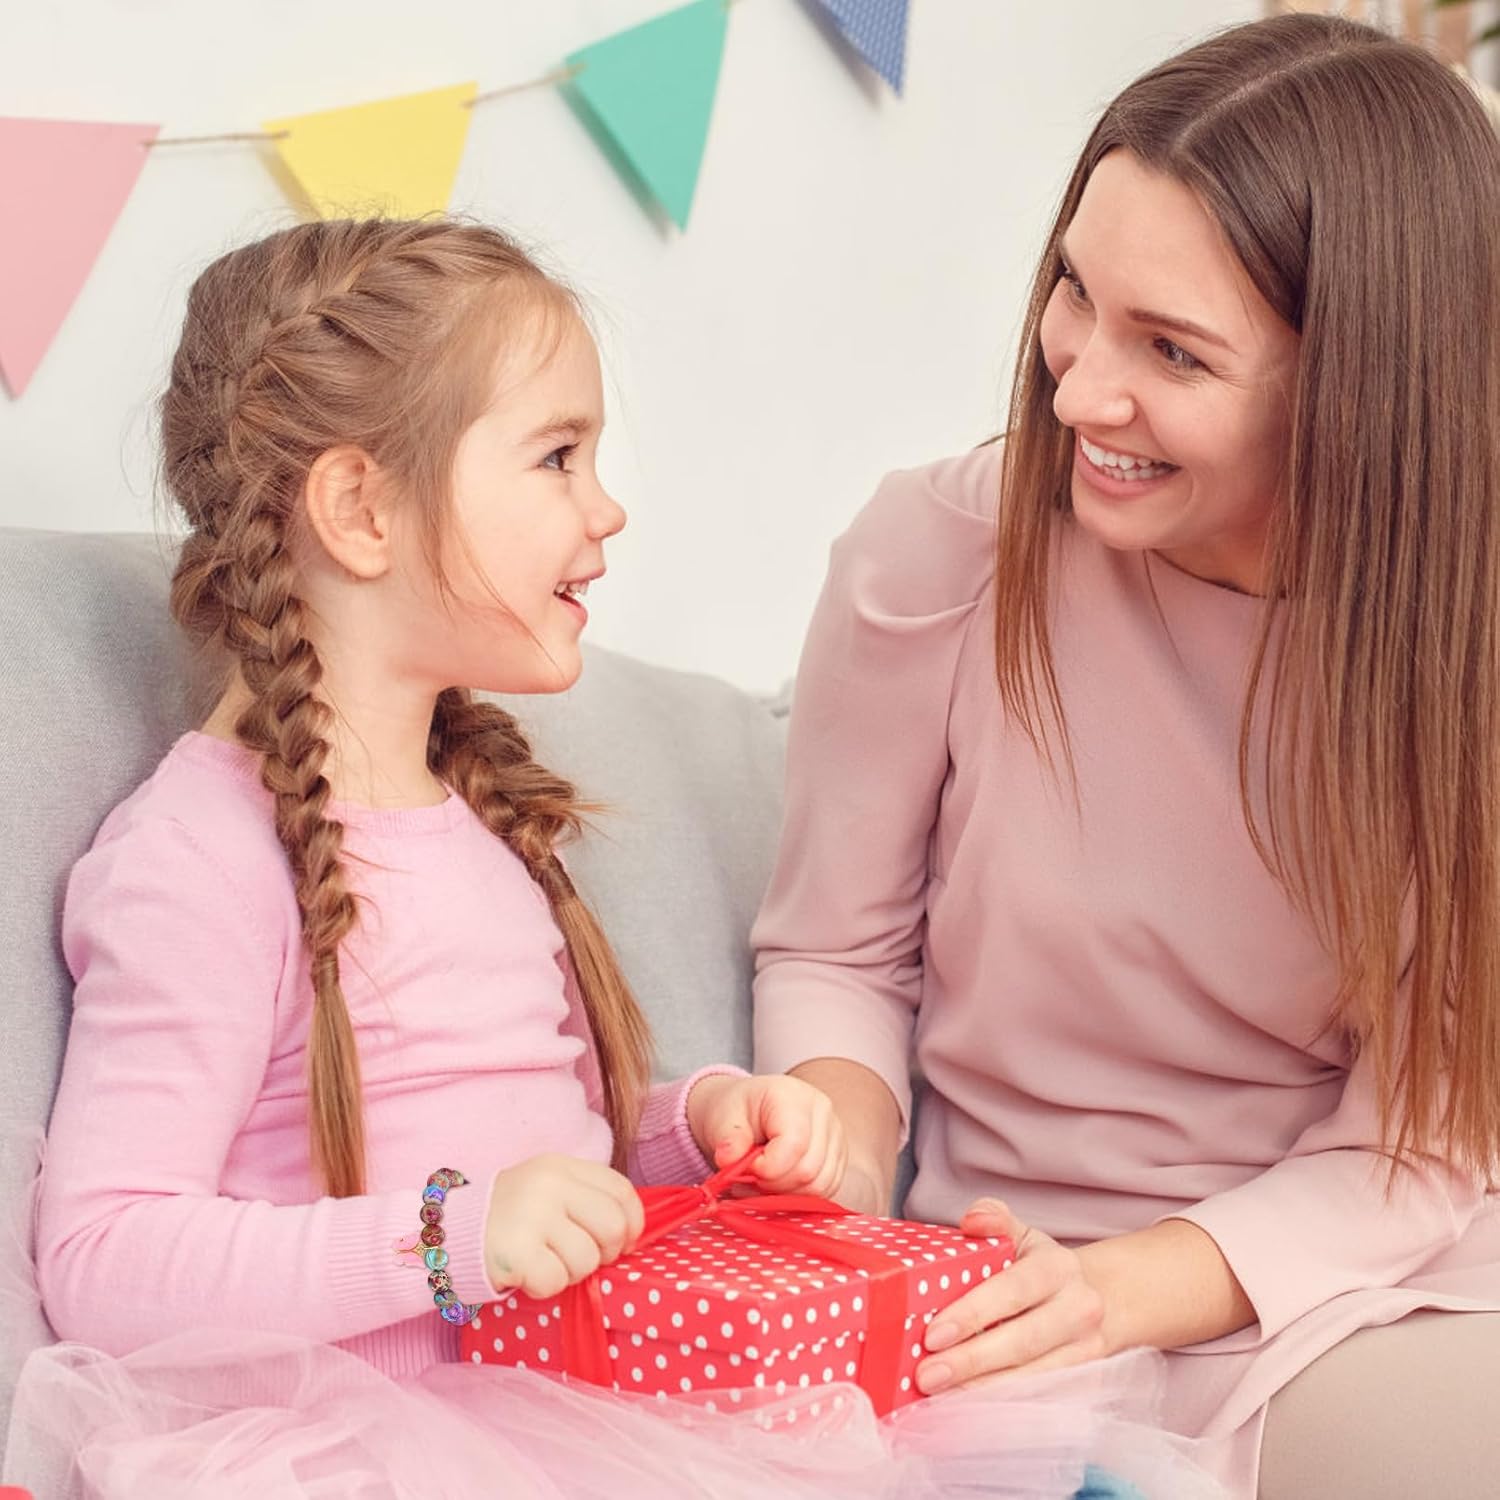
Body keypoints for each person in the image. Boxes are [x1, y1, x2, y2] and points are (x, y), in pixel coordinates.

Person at [5, 218, 1215, 1500]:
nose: (606, 508)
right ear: (360, 508)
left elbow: (541, 1163)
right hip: (380, 1446)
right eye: (556, 456)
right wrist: (444, 1243)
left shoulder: (476, 818)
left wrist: (691, 1127)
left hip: (583, 1401)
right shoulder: (199, 859)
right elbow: (102, 1254)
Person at [752, 14, 1500, 1499]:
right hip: (1004, 1296)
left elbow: (1415, 1153)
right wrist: (825, 1151)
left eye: (1173, 351)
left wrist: (1121, 1287)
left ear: (1359, 397)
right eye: (1077, 297)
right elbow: (837, 950)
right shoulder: (944, 551)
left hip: (1343, 1292)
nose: (1080, 387)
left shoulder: (1464, 665)